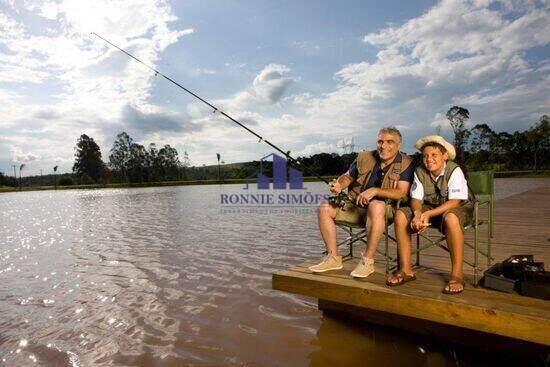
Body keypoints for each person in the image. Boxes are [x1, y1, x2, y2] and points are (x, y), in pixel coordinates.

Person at [309, 127, 414, 278]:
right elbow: (347, 177)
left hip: (384, 211)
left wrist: (375, 191)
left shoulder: (407, 163)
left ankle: (367, 261)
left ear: (398, 145)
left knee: (376, 205)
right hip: (355, 208)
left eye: (389, 142)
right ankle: (333, 257)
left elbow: (401, 192)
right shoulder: (363, 157)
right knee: (324, 206)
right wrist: (339, 185)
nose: (383, 146)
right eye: (380, 141)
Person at [386, 135, 472, 294]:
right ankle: (406, 270)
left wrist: (429, 214)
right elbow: (416, 199)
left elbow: (454, 202)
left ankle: (457, 275)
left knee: (451, 217)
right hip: (431, 208)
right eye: (425, 156)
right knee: (400, 214)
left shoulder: (454, 170)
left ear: (444, 155)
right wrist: (418, 214)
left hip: (456, 208)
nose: (429, 159)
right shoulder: (420, 171)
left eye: (434, 155)